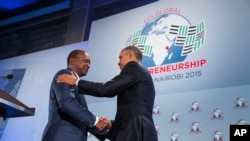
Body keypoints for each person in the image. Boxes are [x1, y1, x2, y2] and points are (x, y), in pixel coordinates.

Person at [57, 46, 158, 141]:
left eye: (120, 58)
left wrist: (77, 82)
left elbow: (106, 89)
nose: (118, 63)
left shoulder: (133, 67)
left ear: (130, 55)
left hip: (136, 131)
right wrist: (110, 124)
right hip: (139, 131)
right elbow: (132, 110)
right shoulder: (141, 73)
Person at [41, 50, 111, 141]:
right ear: (73, 61)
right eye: (85, 61)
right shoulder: (65, 75)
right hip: (62, 136)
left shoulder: (76, 85)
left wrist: (106, 131)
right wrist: (96, 121)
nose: (88, 65)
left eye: (89, 63)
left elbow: (81, 118)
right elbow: (66, 103)